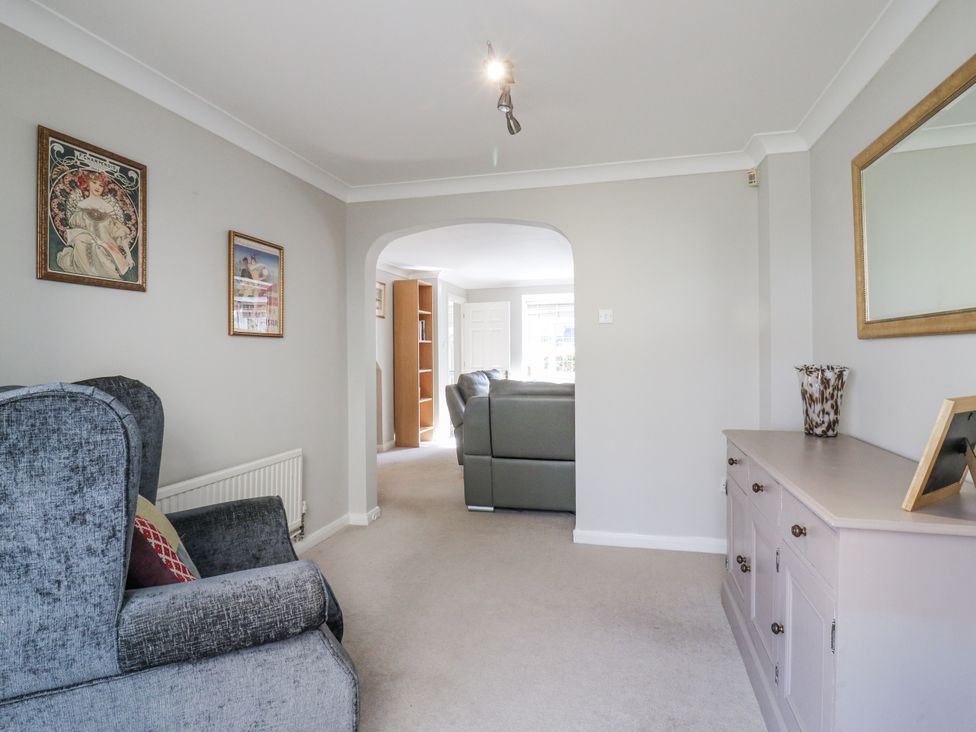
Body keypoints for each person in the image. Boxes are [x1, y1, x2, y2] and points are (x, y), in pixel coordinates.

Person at [57, 170, 134, 279]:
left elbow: (119, 233)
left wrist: (129, 256)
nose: (97, 187)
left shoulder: (108, 208)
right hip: (86, 244)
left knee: (101, 252)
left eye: (101, 185)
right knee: (83, 243)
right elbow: (77, 229)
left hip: (108, 247)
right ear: (87, 184)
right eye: (94, 182)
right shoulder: (81, 206)